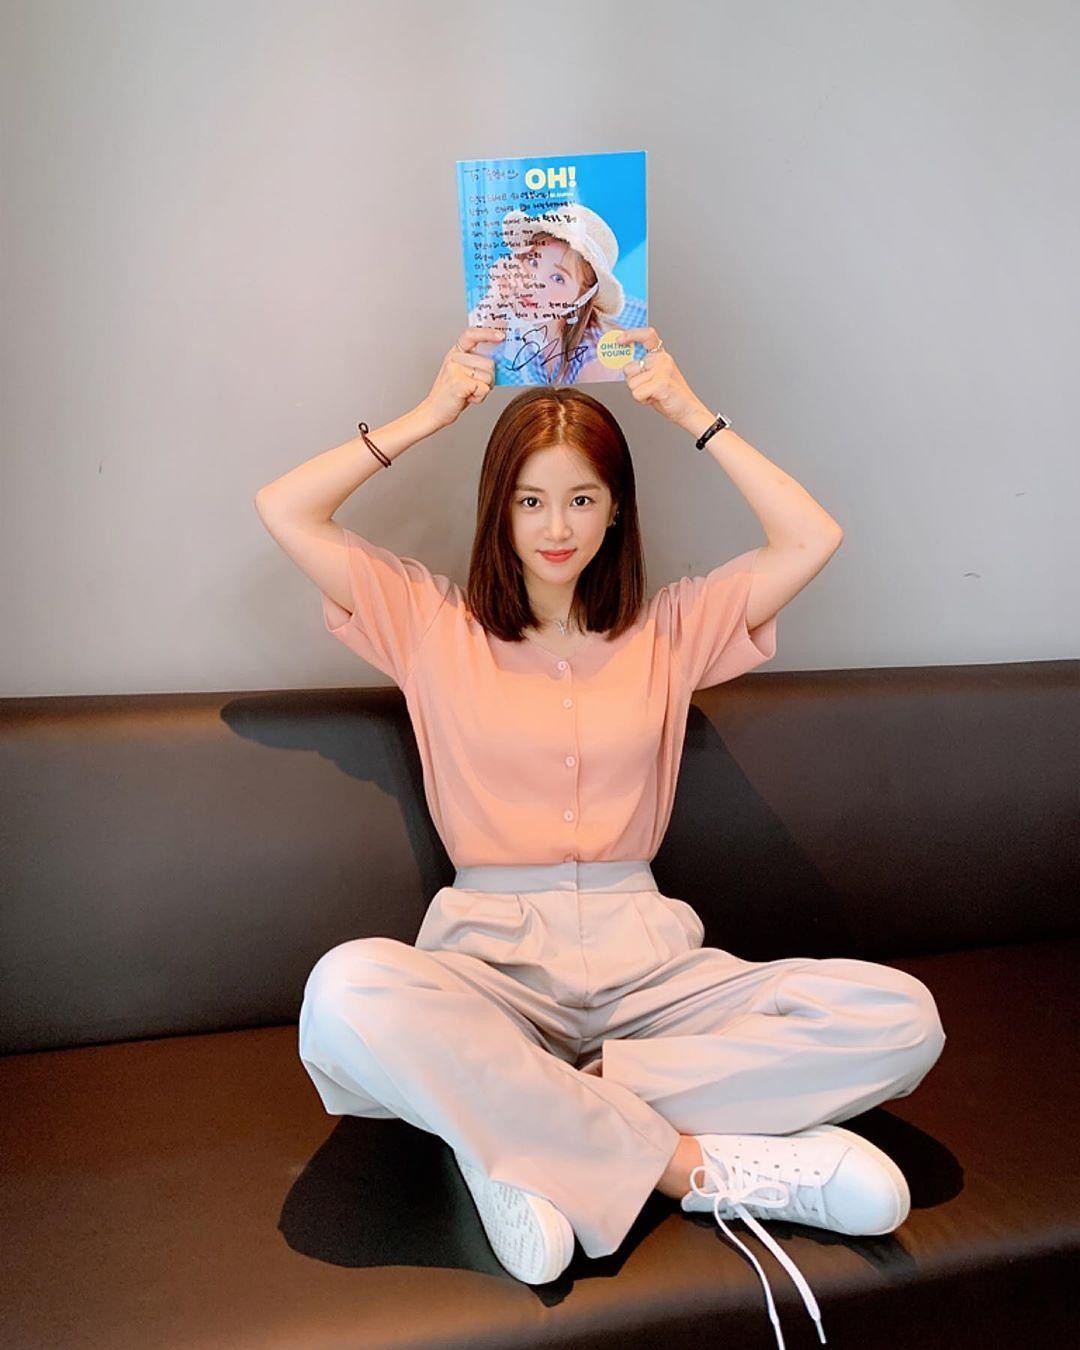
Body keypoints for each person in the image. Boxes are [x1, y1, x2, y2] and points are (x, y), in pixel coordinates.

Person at [254, 325, 946, 1349]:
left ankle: (520, 1131)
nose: (556, 526)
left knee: (904, 1019)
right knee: (346, 991)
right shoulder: (429, 622)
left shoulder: (670, 630)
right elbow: (285, 507)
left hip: (651, 976)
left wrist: (686, 410)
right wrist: (430, 415)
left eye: (582, 498)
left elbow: (812, 537)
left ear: (617, 506)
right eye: (530, 500)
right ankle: (689, 1167)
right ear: (498, 508)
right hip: (488, 975)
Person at [467, 204, 642, 386]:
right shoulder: (521, 315)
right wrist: (497, 297)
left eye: (558, 278)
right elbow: (473, 353)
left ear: (582, 296)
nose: (534, 284)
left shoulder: (594, 363)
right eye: (533, 261)